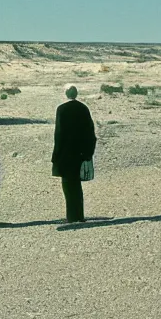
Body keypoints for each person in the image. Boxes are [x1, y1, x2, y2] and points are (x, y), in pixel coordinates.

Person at [51, 85, 96, 223]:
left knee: (68, 186)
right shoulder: (83, 108)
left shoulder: (62, 109)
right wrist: (88, 153)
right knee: (77, 186)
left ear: (65, 93)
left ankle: (71, 216)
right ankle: (79, 215)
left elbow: (59, 134)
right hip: (80, 153)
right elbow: (90, 133)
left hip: (65, 154)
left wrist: (56, 155)